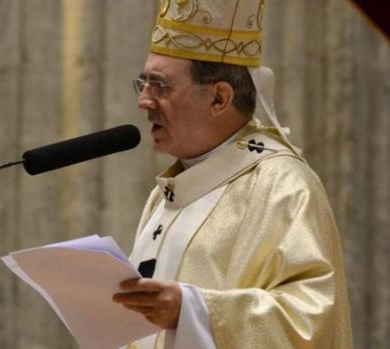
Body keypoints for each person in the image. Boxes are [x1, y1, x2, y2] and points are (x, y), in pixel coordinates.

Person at [112, 0, 353, 348]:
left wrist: (193, 311)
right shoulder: (171, 190)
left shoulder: (284, 187)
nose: (144, 101)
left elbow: (312, 322)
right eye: (144, 83)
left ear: (219, 98)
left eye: (160, 86)